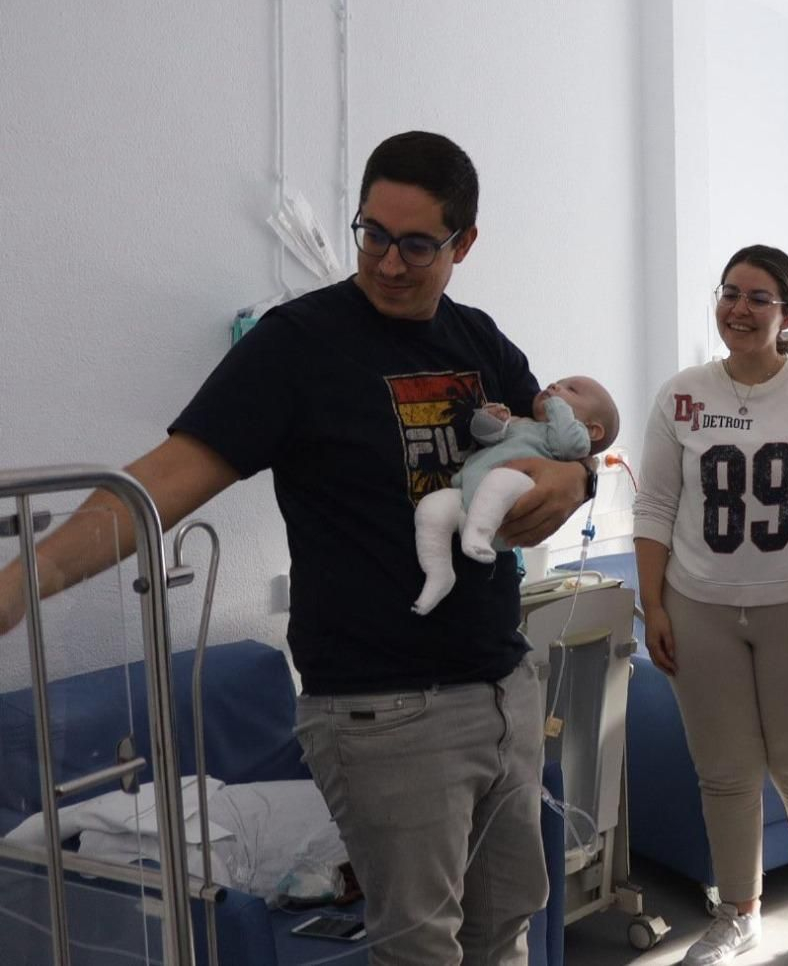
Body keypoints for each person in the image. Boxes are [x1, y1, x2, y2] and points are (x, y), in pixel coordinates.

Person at [0, 131, 596, 966]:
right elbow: (161, 482)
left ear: (463, 244)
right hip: (385, 710)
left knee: (506, 927)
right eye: (372, 234)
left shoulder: (478, 340)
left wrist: (579, 480)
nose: (387, 263)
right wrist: (25, 579)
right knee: (422, 948)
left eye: (416, 245)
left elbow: (562, 440)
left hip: (501, 687)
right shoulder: (298, 345)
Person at [633, 244, 788, 966]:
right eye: (729, 293)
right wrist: (654, 606)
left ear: (787, 315)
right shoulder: (683, 395)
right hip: (699, 607)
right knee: (724, 773)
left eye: (758, 298)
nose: (739, 309)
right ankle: (738, 914)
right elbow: (654, 506)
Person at [413, 376, 618, 613]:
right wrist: (492, 418)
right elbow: (483, 436)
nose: (554, 386)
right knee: (431, 509)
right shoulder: (522, 423)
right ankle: (439, 573)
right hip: (464, 497)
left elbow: (570, 445)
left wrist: (556, 405)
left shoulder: (572, 438)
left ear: (592, 430)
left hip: (510, 506)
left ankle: (479, 535)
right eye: (555, 383)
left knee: (502, 478)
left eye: (571, 389)